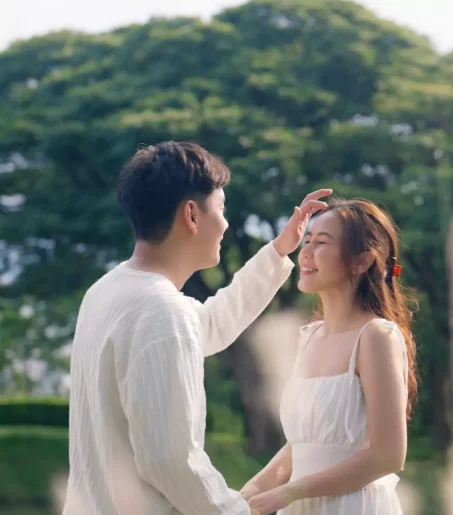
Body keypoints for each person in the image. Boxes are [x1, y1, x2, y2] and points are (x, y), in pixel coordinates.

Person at [62, 140, 331, 514]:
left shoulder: (107, 291)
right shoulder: (160, 310)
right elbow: (170, 459)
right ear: (192, 214)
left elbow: (210, 323)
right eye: (221, 209)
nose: (225, 224)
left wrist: (277, 252)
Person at [242, 198, 419, 515]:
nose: (306, 252)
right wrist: (244, 496)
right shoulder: (308, 337)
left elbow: (389, 455)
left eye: (322, 242)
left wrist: (293, 491)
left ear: (361, 261)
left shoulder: (376, 336)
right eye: (307, 240)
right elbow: (302, 447)